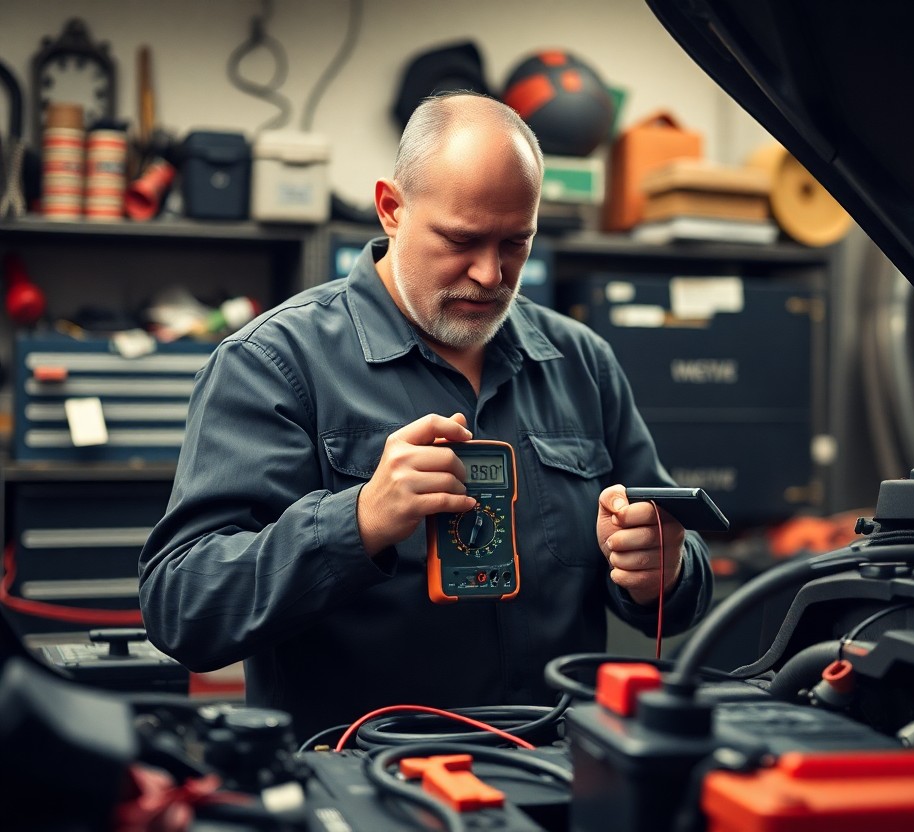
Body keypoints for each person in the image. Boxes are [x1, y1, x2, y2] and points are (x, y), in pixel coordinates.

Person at [137, 92, 713, 738]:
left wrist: (661, 570)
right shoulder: (274, 365)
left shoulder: (582, 363)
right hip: (373, 786)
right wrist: (358, 521)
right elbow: (181, 607)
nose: (491, 273)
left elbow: (675, 562)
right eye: (461, 240)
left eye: (515, 243)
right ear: (391, 209)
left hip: (556, 769)